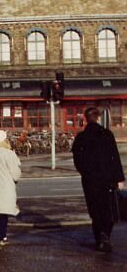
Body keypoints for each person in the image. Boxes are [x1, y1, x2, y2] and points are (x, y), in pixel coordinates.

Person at [72, 106, 125, 253]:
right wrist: (119, 178)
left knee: (95, 210)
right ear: (98, 118)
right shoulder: (107, 135)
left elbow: (77, 159)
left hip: (90, 180)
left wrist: (85, 172)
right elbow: (115, 157)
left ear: (86, 119)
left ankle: (99, 239)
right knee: (109, 209)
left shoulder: (81, 137)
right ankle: (105, 236)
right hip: (107, 179)